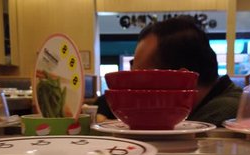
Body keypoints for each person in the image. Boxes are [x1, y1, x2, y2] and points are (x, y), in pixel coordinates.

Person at [96, 16, 242, 127]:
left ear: (182, 81)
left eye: (141, 80)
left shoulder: (222, 114)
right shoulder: (213, 102)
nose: (133, 92)